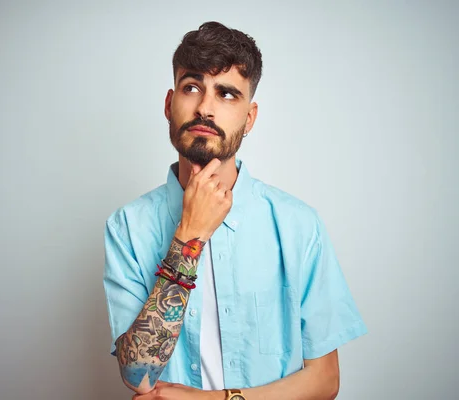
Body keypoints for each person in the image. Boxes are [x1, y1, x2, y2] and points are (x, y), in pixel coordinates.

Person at [103, 21, 367, 400]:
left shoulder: (298, 226)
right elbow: (138, 375)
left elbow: (325, 382)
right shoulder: (127, 226)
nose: (205, 108)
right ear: (168, 104)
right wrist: (188, 236)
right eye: (191, 87)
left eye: (227, 94)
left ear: (249, 118)